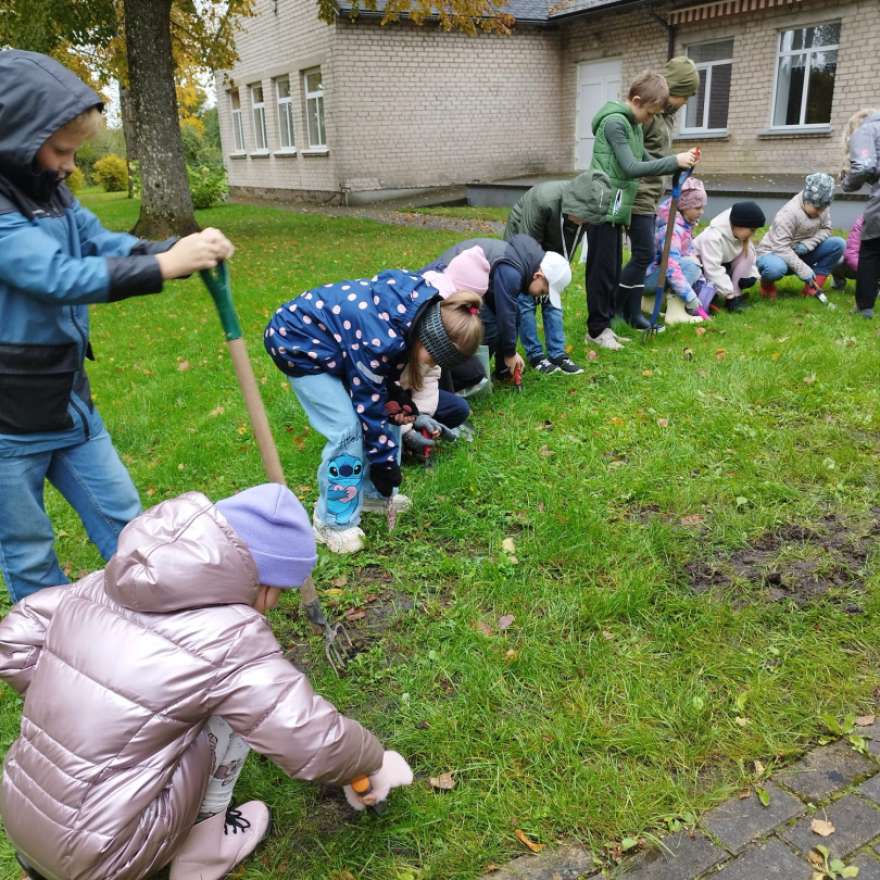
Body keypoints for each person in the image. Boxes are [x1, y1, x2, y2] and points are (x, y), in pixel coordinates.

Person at [0, 485, 414, 880]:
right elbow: (306, 735)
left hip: (18, 814)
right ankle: (205, 852)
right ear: (262, 581)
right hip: (109, 856)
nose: (274, 604)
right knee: (228, 710)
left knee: (185, 701)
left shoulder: (100, 584)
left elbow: (15, 640)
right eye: (279, 592)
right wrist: (372, 762)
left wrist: (81, 701)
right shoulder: (229, 638)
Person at [0, 49, 234, 604]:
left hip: (68, 404)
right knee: (30, 553)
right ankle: (50, 663)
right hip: (7, 424)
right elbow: (55, 275)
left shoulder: (50, 194)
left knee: (129, 524)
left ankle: (164, 622)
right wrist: (160, 267)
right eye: (62, 150)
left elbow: (100, 242)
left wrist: (170, 248)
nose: (71, 165)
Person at [265, 264, 483, 554]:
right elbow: (368, 405)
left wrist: (402, 408)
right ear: (428, 338)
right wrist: (384, 464)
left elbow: (384, 392)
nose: (430, 365)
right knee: (348, 431)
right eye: (432, 358)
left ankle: (369, 494)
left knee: (390, 415)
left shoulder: (414, 317)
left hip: (340, 343)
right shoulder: (382, 338)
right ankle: (331, 522)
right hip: (299, 342)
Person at [583, 71, 698, 350]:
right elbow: (631, 167)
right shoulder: (615, 123)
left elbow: (649, 160)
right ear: (636, 100)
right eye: (649, 112)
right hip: (600, 205)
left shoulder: (633, 125)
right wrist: (673, 160)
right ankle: (596, 330)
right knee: (600, 271)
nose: (650, 119)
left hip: (616, 206)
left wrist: (679, 163)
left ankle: (604, 327)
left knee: (611, 269)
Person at [617, 56, 700, 330]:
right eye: (684, 95)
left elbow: (659, 153)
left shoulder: (665, 117)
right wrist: (673, 160)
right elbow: (639, 157)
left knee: (642, 255)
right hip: (639, 194)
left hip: (653, 194)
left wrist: (679, 166)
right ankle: (621, 310)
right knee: (643, 254)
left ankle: (630, 311)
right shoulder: (648, 118)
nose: (685, 102)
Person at [422, 236, 572, 379]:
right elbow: (505, 314)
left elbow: (511, 314)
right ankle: (466, 375)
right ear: (538, 276)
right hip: (442, 281)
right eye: (543, 291)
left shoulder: (524, 263)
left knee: (506, 318)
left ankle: (501, 370)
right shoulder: (512, 272)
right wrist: (510, 354)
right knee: (489, 328)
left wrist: (508, 355)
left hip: (464, 286)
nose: (539, 296)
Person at [401, 247, 491, 457]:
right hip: (379, 397)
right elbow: (377, 395)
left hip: (405, 394)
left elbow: (431, 376)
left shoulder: (433, 348)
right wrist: (404, 430)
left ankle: (414, 438)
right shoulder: (401, 337)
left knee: (459, 408)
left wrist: (420, 415)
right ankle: (394, 441)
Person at [503, 176, 593, 374]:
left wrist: (556, 274)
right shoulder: (543, 200)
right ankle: (536, 355)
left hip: (552, 243)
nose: (585, 222)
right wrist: (537, 275)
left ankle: (557, 353)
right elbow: (525, 245)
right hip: (523, 241)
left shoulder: (587, 211)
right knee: (526, 298)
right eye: (582, 217)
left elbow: (566, 251)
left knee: (551, 296)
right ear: (572, 206)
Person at [756, 173, 845, 300]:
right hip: (774, 254)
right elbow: (781, 248)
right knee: (774, 269)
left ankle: (812, 288)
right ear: (806, 199)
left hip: (802, 251)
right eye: (817, 208)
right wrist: (804, 271)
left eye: (823, 208)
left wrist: (807, 244)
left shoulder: (822, 204)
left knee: (838, 244)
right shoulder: (789, 213)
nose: (820, 211)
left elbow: (826, 229)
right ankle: (767, 286)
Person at [644, 176, 711, 320]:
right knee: (691, 265)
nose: (702, 212)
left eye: (703, 207)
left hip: (653, 275)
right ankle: (675, 312)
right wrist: (691, 298)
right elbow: (671, 267)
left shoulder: (683, 224)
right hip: (647, 280)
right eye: (698, 207)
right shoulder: (673, 230)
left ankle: (648, 304)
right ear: (684, 206)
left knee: (692, 261)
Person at [840, 108, 880, 318]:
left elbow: (864, 167)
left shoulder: (866, 131)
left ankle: (864, 307)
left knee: (871, 250)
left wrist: (847, 183)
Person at [692, 201, 764, 313]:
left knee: (747, 253)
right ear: (739, 225)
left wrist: (752, 274)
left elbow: (749, 255)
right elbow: (712, 270)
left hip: (722, 266)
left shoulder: (738, 234)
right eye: (752, 230)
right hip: (700, 273)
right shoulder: (712, 237)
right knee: (707, 299)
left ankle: (736, 296)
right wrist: (729, 294)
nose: (753, 234)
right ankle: (729, 298)